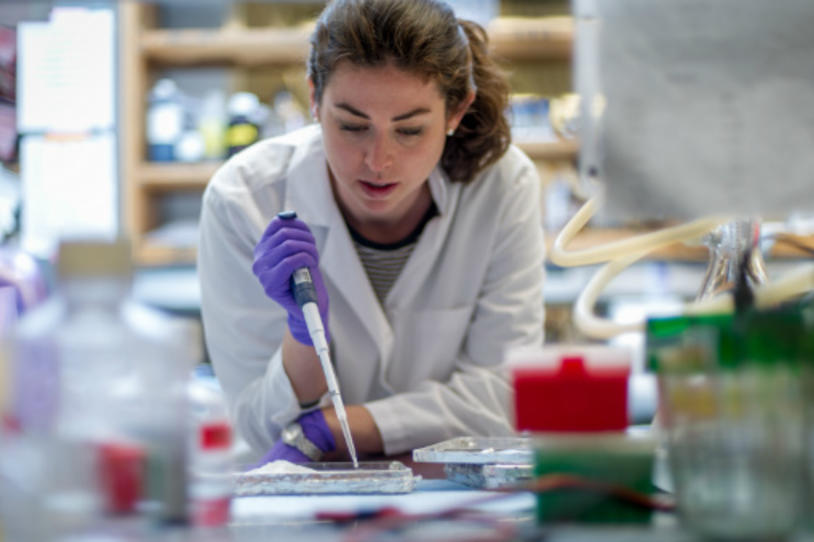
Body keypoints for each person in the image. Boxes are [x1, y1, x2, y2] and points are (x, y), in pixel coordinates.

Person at [197, 0, 545, 465]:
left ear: (456, 112)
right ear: (314, 100)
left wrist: (333, 429)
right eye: (352, 126)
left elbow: (505, 396)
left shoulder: (501, 186)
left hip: (452, 501)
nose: (378, 161)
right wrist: (303, 340)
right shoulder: (244, 198)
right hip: (303, 511)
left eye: (410, 130)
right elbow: (259, 426)